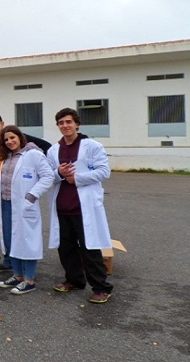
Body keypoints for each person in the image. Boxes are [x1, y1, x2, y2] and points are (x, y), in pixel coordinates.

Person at [47, 108, 114, 304]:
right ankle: (74, 280)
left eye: (68, 122)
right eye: (61, 123)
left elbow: (103, 172)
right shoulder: (53, 150)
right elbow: (47, 176)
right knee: (66, 248)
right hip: (62, 207)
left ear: (77, 124)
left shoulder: (92, 146)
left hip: (84, 208)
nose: (65, 126)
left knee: (89, 248)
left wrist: (76, 178)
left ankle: (101, 287)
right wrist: (59, 172)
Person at [0, 112, 51, 273]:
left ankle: (25, 272)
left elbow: (47, 149)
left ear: (2, 123)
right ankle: (10, 262)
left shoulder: (24, 145)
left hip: (22, 196)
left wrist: (36, 178)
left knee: (22, 232)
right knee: (5, 230)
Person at [0, 126, 53, 294]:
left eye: (13, 137)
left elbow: (48, 176)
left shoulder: (33, 154)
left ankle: (30, 280)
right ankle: (18, 275)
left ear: (20, 137)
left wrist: (32, 195)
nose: (10, 141)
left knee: (27, 241)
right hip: (6, 204)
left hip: (24, 204)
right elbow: (5, 176)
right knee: (11, 240)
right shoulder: (7, 157)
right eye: (6, 140)